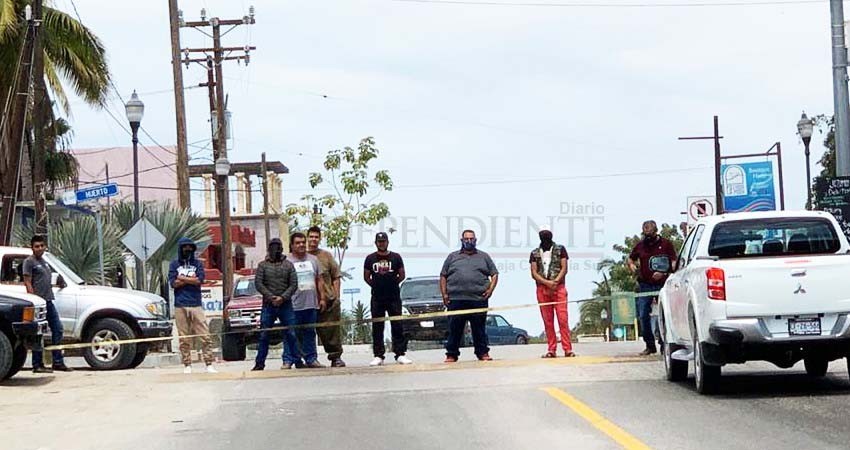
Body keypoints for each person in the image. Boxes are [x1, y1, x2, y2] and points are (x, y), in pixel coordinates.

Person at [441, 230, 499, 363]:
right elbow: (443, 275)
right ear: (462, 240)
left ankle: (482, 353)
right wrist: (444, 294)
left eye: (471, 239)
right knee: (455, 329)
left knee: (479, 329)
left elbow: (494, 274)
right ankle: (451, 354)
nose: (469, 241)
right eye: (466, 239)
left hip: (478, 299)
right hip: (456, 299)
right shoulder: (452, 257)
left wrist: (490, 290)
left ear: (475, 240)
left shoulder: (484, 256)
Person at [627, 221, 677, 356]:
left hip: (662, 284)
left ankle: (663, 343)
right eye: (645, 233)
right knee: (643, 315)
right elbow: (630, 259)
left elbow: (674, 262)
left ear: (656, 231)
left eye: (650, 233)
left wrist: (664, 271)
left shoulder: (666, 244)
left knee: (663, 314)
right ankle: (650, 345)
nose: (648, 236)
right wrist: (633, 267)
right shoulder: (640, 245)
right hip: (645, 285)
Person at [168, 237, 217, 374]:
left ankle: (209, 363)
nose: (187, 250)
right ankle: (187, 364)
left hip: (196, 303)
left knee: (205, 335)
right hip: (180, 304)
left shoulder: (198, 264)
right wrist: (190, 280)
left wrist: (182, 278)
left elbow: (199, 280)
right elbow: (173, 283)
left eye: (190, 247)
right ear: (180, 248)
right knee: (184, 337)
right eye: (185, 247)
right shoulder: (174, 265)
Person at [364, 232, 412, 366]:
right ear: (376, 243)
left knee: (397, 324)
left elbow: (402, 274)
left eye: (384, 241)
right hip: (377, 297)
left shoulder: (396, 257)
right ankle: (378, 355)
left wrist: (391, 283)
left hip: (394, 297)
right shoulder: (370, 258)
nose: (382, 243)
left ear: (387, 242)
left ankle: (400, 354)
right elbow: (366, 276)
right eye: (379, 241)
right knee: (377, 326)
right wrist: (377, 285)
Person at [25, 235, 71, 373]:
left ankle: (57, 361)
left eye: (41, 246)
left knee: (58, 329)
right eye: (36, 246)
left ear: (45, 246)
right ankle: (37, 364)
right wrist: (33, 299)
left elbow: (47, 279)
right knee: (38, 334)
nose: (39, 248)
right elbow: (27, 281)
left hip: (48, 301)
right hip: (38, 303)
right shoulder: (29, 262)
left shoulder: (44, 262)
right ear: (32, 248)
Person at [251, 238, 298, 371]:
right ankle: (259, 363)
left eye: (278, 247)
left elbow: (293, 284)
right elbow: (259, 284)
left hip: (285, 304)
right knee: (264, 335)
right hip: (268, 305)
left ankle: (297, 360)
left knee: (291, 334)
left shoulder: (288, 265)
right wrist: (271, 297)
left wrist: (282, 298)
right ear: (268, 249)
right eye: (273, 247)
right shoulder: (262, 265)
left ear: (282, 249)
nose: (275, 250)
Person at [529, 225, 575, 358]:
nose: (545, 239)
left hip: (558, 288)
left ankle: (567, 349)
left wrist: (555, 282)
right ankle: (551, 349)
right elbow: (533, 272)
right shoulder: (534, 253)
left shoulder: (561, 249)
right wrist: (546, 283)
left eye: (547, 236)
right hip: (542, 289)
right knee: (548, 321)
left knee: (563, 319)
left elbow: (564, 267)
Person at [285, 232, 326, 369]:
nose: (301, 245)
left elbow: (320, 280)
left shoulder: (313, 260)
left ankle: (311, 359)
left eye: (303, 242)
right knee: (291, 333)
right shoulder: (287, 262)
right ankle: (289, 360)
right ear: (292, 245)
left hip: (311, 304)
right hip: (293, 305)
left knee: (310, 332)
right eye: (297, 243)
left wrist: (322, 298)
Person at [307, 226, 346, 368]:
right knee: (305, 332)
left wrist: (336, 297)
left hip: (328, 301)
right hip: (307, 302)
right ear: (307, 238)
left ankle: (335, 357)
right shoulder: (301, 257)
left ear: (319, 238)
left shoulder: (326, 256)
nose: (313, 239)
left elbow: (336, 276)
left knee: (331, 331)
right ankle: (308, 359)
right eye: (311, 236)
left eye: (316, 237)